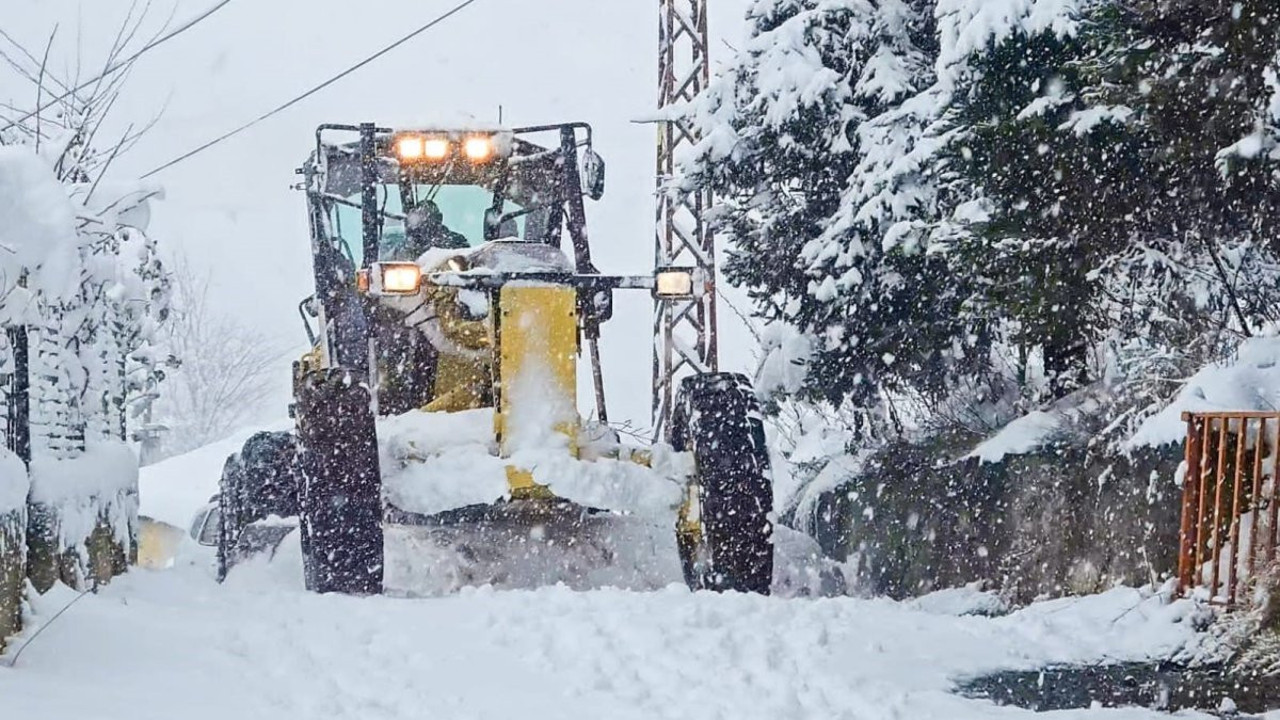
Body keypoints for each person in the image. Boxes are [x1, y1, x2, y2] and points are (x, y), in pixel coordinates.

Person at [403, 198, 469, 256]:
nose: (426, 222)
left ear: (440, 217)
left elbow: (466, 260)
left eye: (430, 217)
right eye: (421, 217)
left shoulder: (457, 241)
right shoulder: (409, 243)